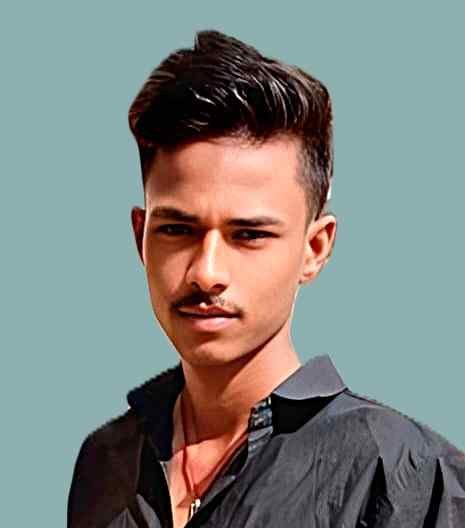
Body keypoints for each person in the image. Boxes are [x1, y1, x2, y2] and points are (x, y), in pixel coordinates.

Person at [67, 30, 465, 528]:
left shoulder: (405, 477)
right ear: (140, 237)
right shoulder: (106, 463)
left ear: (314, 249)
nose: (207, 272)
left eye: (249, 235)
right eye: (177, 229)